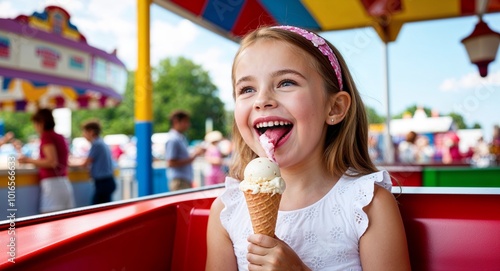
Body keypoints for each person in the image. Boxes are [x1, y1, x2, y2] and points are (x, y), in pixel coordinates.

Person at [206, 26, 410, 270]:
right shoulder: (226, 211)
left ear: (334, 108)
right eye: (247, 89)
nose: (262, 100)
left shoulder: (368, 205)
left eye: (286, 82)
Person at [18, 108, 75, 213]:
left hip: (53, 185)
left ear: (41, 122)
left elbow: (51, 162)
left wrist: (27, 160)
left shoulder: (47, 136)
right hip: (63, 182)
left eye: (35, 123)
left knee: (49, 222)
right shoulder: (59, 136)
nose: (35, 127)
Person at [76, 120, 116, 204]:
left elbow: (86, 163)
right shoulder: (100, 142)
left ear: (91, 132)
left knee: (97, 209)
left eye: (84, 132)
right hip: (107, 181)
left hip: (103, 183)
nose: (83, 135)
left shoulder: (96, 144)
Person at [165, 110, 204, 191]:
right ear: (176, 122)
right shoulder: (173, 139)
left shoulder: (180, 138)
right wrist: (193, 157)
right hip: (179, 181)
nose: (188, 125)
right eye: (185, 122)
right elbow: (171, 163)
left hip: (183, 180)